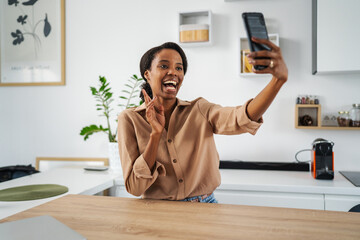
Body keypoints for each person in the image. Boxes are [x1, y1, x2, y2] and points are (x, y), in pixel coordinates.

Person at [117, 38, 288, 203]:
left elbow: (240, 118)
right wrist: (155, 135)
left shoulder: (199, 109)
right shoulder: (129, 119)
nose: (173, 72)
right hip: (157, 210)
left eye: (179, 68)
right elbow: (135, 188)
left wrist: (277, 81)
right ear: (147, 74)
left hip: (204, 205)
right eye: (164, 66)